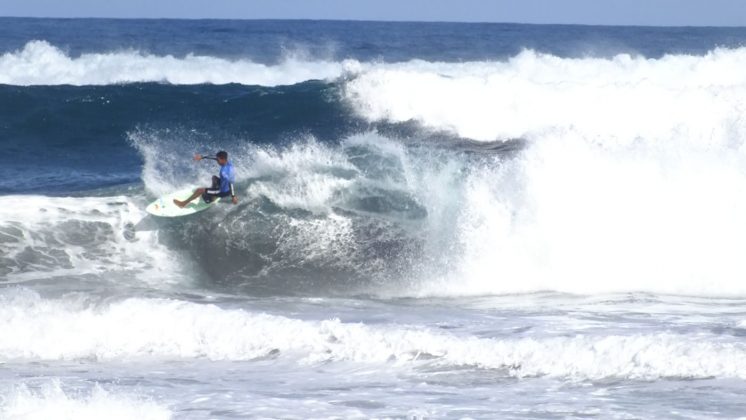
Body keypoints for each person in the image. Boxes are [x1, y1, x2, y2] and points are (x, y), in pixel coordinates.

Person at [174, 150, 238, 208]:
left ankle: (183, 204)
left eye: (218, 160)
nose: (217, 161)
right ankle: (212, 194)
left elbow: (230, 182)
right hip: (225, 186)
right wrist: (202, 157)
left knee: (200, 190)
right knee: (214, 178)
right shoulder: (228, 163)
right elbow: (214, 158)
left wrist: (233, 196)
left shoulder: (224, 172)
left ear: (223, 159)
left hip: (222, 192)